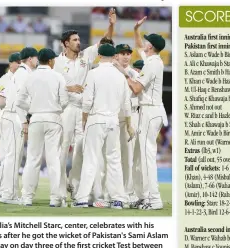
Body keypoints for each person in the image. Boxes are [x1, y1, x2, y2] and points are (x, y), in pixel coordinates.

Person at [54, 9, 115, 203]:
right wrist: (68, 87)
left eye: (79, 39)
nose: (78, 42)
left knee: (81, 148)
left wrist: (111, 25)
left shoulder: (85, 57)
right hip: (64, 109)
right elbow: (52, 85)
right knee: (62, 149)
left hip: (82, 110)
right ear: (65, 43)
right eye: (74, 40)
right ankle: (60, 190)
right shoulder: (56, 62)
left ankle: (74, 182)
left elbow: (104, 44)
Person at [72, 44, 134, 209]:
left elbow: (87, 101)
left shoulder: (93, 73)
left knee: (91, 159)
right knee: (114, 160)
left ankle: (82, 198)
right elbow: (126, 104)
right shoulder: (120, 76)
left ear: (99, 56)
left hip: (96, 119)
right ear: (114, 56)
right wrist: (128, 125)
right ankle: (118, 199)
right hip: (113, 120)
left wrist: (84, 120)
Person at [114, 22, 168, 210]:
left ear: (151, 47)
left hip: (150, 110)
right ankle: (146, 197)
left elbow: (136, 89)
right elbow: (138, 46)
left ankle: (154, 199)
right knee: (144, 158)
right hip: (153, 111)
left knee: (147, 157)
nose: (143, 45)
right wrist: (136, 30)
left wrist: (122, 72)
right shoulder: (153, 60)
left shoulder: (152, 64)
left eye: (146, 43)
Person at [16, 48, 69, 207]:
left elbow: (19, 101)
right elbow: (65, 101)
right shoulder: (58, 76)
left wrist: (31, 107)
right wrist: (56, 107)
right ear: (51, 61)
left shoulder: (30, 77)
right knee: (53, 159)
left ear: (39, 60)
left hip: (36, 118)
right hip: (53, 118)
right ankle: (54, 198)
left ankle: (27, 197)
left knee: (32, 159)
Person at [0, 52, 22, 202]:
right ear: (10, 63)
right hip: (9, 117)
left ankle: (0, 191)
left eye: (21, 62)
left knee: (6, 158)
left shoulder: (18, 78)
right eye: (17, 62)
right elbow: (1, 102)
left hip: (7, 119)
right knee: (12, 156)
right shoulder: (5, 79)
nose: (19, 64)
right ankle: (8, 194)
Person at [115, 44, 140, 207]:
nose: (126, 57)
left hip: (131, 113)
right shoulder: (108, 71)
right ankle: (111, 192)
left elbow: (136, 89)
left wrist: (124, 73)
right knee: (111, 157)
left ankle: (128, 192)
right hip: (113, 115)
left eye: (128, 54)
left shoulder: (133, 72)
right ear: (115, 55)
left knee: (128, 156)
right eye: (122, 53)